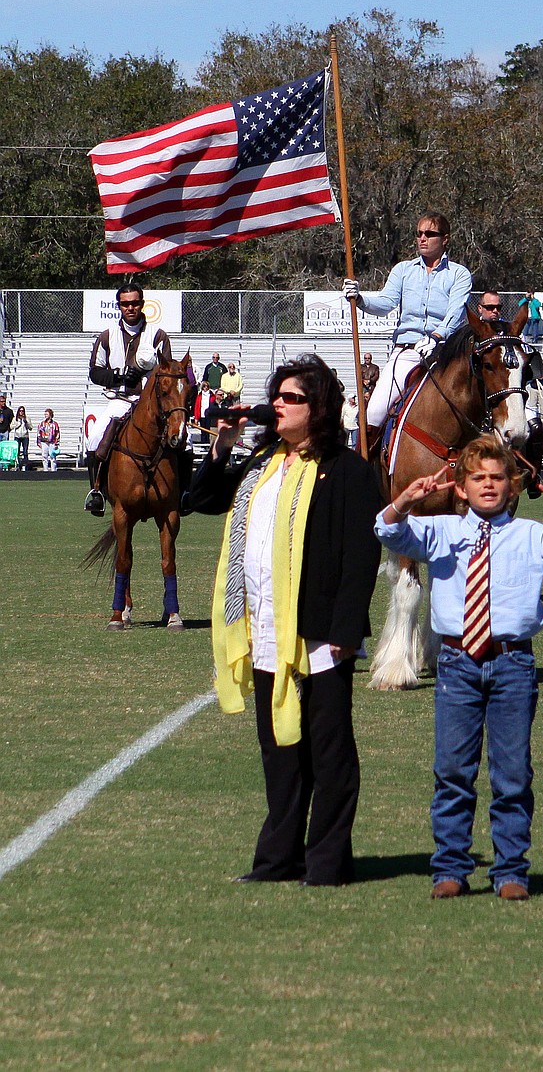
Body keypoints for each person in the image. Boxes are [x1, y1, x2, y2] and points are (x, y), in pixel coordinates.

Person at [375, 434, 543, 901]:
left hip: (512, 663)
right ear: (460, 487)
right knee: (453, 770)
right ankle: (450, 868)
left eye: (498, 478)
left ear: (513, 486)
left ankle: (511, 870)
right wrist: (403, 501)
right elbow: (389, 533)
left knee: (512, 772)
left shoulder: (531, 535)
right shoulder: (441, 532)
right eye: (478, 478)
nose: (488, 485)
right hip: (457, 663)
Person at [186, 355, 383, 886]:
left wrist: (345, 632)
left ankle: (326, 863)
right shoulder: (260, 463)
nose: (277, 403)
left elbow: (360, 557)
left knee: (329, 753)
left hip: (319, 635)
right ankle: (277, 861)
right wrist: (223, 445)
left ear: (318, 408)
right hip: (264, 627)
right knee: (279, 751)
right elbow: (199, 498)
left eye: (291, 397)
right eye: (277, 394)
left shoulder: (347, 470)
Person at [342, 213, 473, 438]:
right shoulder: (403, 270)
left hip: (447, 353)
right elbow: (385, 303)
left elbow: (456, 311)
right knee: (372, 413)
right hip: (408, 352)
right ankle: (365, 466)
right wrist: (361, 299)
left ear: (445, 239)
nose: (422, 238)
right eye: (419, 233)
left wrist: (436, 336)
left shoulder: (459, 274)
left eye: (430, 234)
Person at [84, 281, 174, 516]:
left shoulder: (158, 335)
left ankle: (183, 493)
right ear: (119, 306)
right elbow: (95, 372)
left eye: (134, 303)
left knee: (185, 442)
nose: (130, 308)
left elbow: (168, 371)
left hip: (151, 403)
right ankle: (97, 493)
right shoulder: (107, 336)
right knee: (94, 439)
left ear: (142, 304)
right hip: (120, 400)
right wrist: (118, 374)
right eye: (125, 304)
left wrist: (147, 374)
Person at [194, 380, 214, 444]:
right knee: (203, 431)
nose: (205, 388)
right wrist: (196, 418)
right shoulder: (199, 396)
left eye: (207, 386)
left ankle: (208, 444)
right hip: (202, 415)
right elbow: (197, 407)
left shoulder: (212, 395)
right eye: (204, 386)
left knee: (208, 431)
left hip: (209, 415)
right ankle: (203, 444)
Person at [12, 406, 32, 470]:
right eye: (20, 411)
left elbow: (31, 428)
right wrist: (18, 424)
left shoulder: (27, 418)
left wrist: (26, 423)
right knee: (17, 451)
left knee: (25, 451)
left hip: (25, 437)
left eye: (22, 411)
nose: (21, 412)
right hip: (17, 436)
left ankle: (26, 465)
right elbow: (11, 426)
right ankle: (18, 465)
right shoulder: (15, 418)